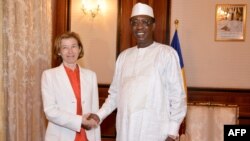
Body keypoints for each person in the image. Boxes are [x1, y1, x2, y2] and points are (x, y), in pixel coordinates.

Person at [88, 2, 187, 141]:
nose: (139, 26)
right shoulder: (123, 57)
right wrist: (99, 115)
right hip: (125, 130)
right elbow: (115, 94)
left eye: (144, 22)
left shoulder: (167, 54)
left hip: (155, 131)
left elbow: (178, 97)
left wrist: (171, 132)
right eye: (135, 22)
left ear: (153, 25)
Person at [41, 32, 101, 141]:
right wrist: (79, 121)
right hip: (61, 135)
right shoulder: (49, 75)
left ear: (79, 49)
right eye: (65, 48)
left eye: (74, 46)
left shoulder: (91, 75)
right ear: (59, 51)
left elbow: (94, 110)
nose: (70, 51)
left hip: (87, 135)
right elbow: (50, 111)